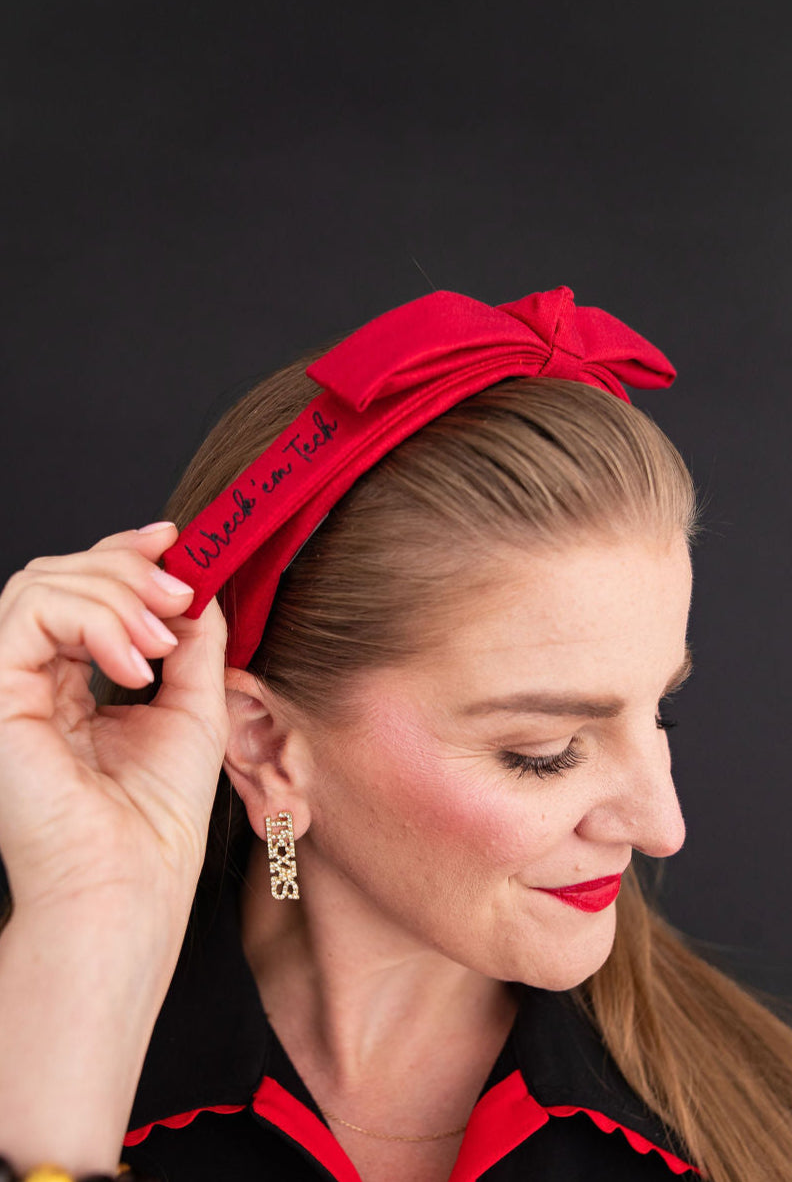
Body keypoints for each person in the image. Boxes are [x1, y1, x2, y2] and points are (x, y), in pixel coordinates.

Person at [0, 287, 790, 1182]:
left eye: (661, 713)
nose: (662, 827)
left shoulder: (761, 1123)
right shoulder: (45, 1083)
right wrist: (86, 943)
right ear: (264, 745)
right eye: (544, 751)